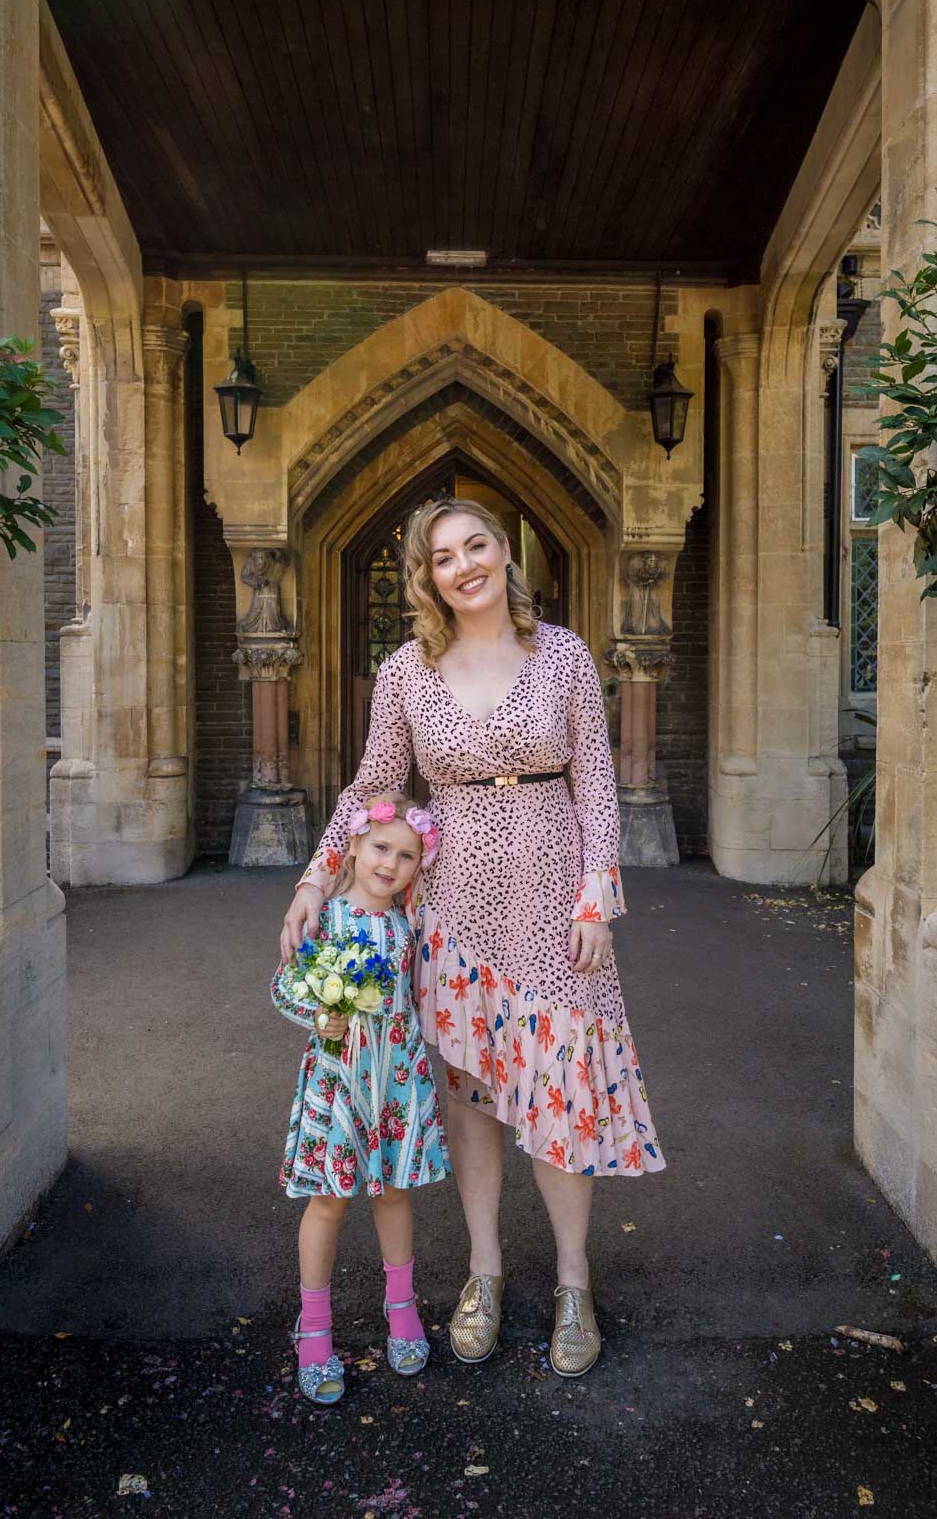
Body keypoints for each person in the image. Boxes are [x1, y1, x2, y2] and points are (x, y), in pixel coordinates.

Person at [279, 497, 663, 1380]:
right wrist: (313, 877)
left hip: (554, 897)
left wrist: (597, 896)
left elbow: (599, 785)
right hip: (452, 909)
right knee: (474, 1091)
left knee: (561, 1087)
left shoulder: (561, 653)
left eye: (476, 546)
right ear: (429, 579)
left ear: (504, 554)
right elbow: (372, 787)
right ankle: (484, 1273)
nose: (463, 565)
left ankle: (573, 1282)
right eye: (443, 557)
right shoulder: (407, 671)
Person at [271, 791, 450, 1406]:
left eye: (406, 855)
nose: (390, 864)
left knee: (394, 1195)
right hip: (337, 1083)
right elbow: (285, 987)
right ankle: (314, 1328)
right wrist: (319, 1014)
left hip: (396, 1083)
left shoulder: (409, 923)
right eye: (380, 847)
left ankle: (401, 1310)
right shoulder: (327, 918)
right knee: (328, 1203)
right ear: (351, 847)